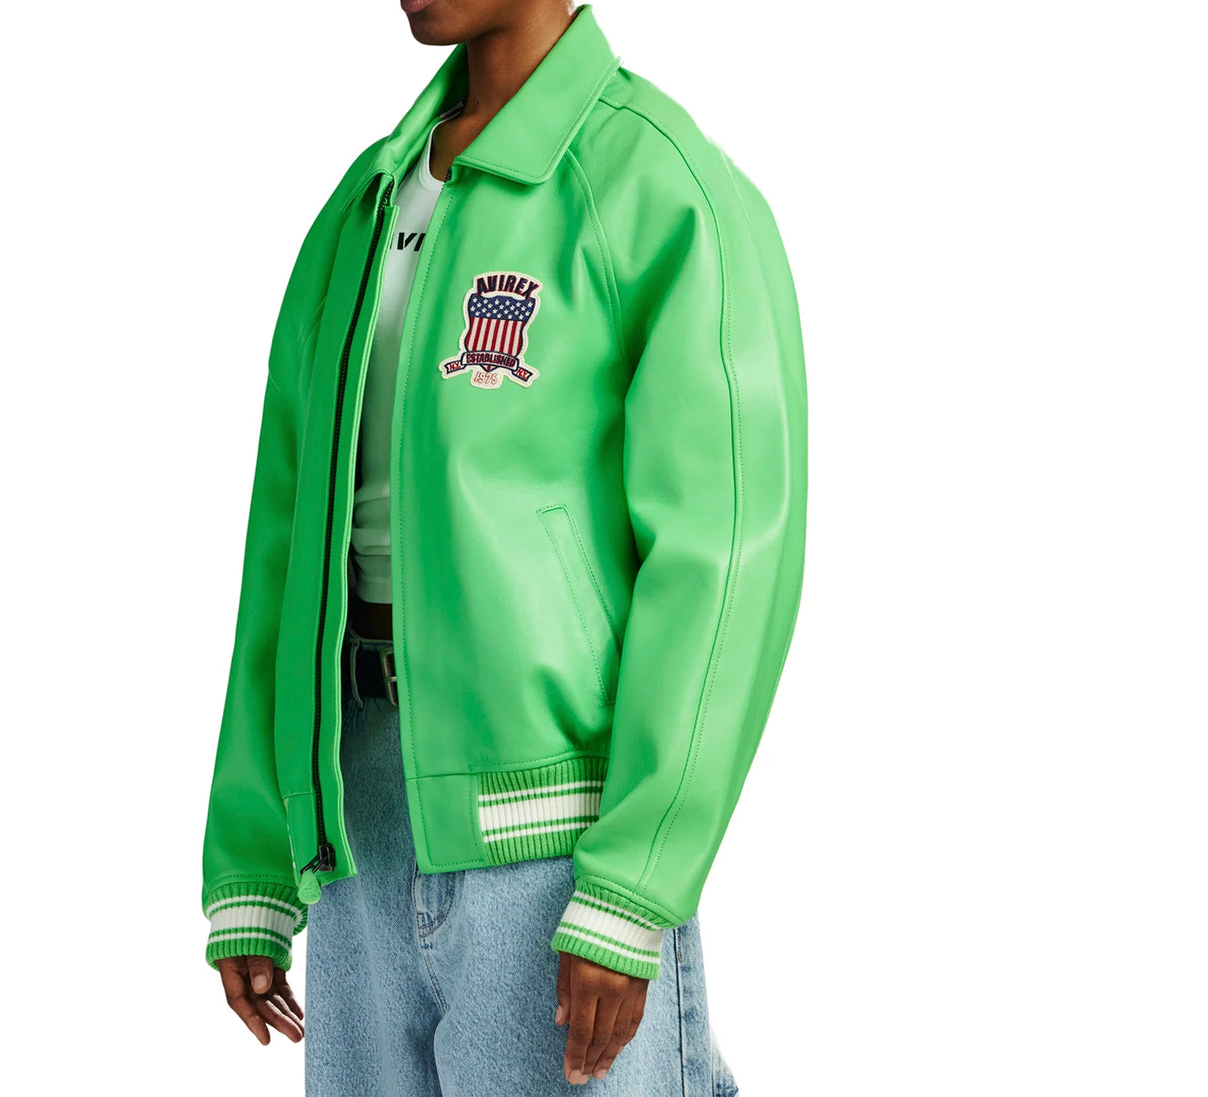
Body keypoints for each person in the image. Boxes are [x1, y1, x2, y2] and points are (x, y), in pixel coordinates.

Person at [199, 1, 806, 1092]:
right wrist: (252, 850)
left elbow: (722, 561)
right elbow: (283, 544)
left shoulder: (656, 188)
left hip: (554, 834)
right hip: (354, 820)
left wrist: (635, 879)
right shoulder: (365, 203)